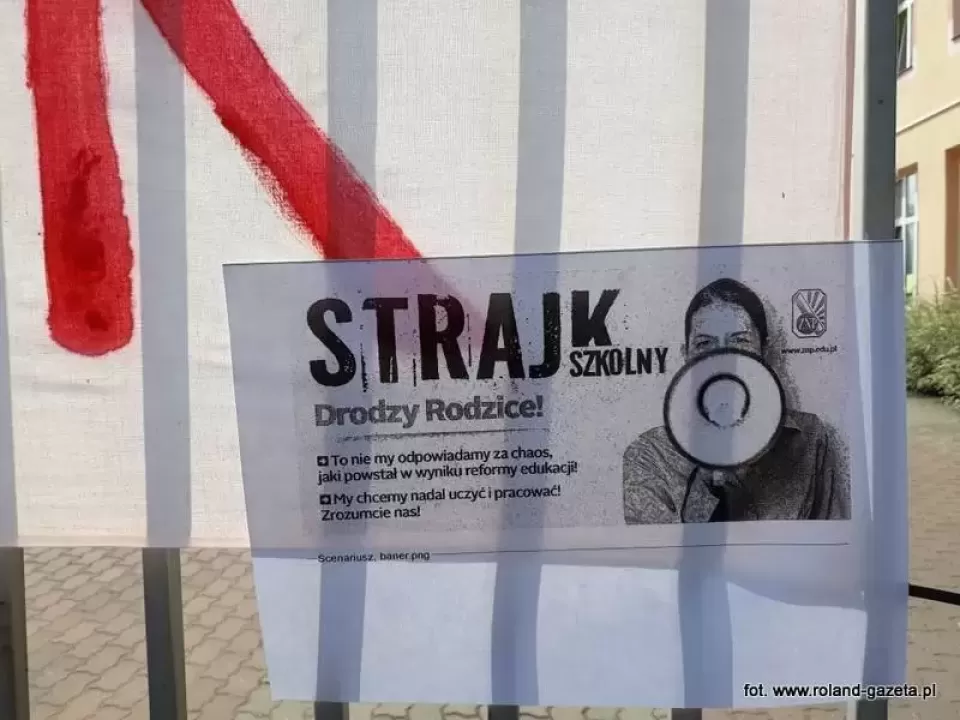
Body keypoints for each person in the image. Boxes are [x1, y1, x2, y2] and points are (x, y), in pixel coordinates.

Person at [622, 278, 850, 524]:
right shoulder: (650, 455)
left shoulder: (809, 438)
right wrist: (705, 487)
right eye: (704, 344)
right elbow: (658, 548)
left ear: (764, 351)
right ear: (686, 356)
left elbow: (829, 539)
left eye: (740, 341)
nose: (723, 358)